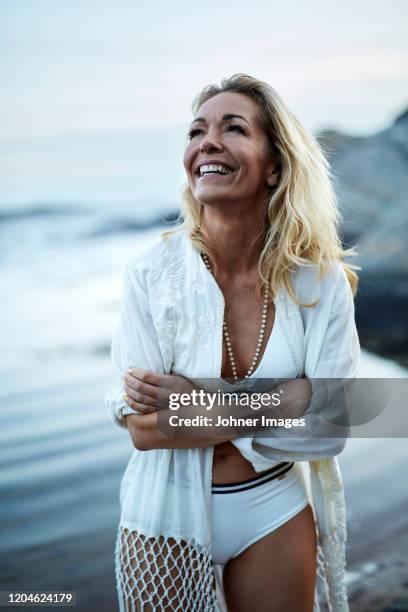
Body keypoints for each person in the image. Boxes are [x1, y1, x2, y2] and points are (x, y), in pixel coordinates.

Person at [105, 73, 361, 612]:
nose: (207, 142)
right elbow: (147, 428)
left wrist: (193, 396)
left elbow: (334, 424)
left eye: (234, 128)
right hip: (162, 510)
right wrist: (291, 398)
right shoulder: (149, 275)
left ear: (274, 164)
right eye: (196, 131)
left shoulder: (320, 280)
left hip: (273, 503)